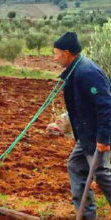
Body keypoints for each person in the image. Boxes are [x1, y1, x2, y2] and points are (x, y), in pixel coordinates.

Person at [54, 32, 111, 220]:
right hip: (86, 134)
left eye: (56, 53)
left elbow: (106, 106)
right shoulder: (75, 70)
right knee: (76, 165)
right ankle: (86, 216)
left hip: (97, 134)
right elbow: (80, 107)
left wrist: (104, 138)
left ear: (67, 53)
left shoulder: (87, 72)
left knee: (101, 174)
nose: (55, 58)